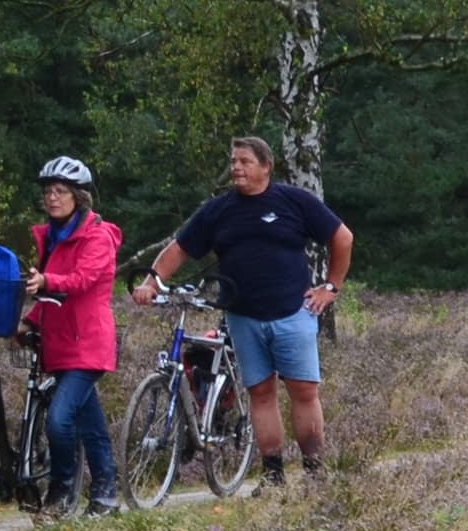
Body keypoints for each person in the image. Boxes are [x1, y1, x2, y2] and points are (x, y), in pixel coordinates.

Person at [133, 135, 355, 486]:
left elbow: (342, 237)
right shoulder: (219, 210)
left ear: (266, 166)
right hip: (242, 316)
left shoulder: (293, 201)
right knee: (260, 394)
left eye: (244, 161)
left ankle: (315, 473)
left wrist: (331, 287)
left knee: (303, 392)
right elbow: (179, 249)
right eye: (233, 160)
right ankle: (273, 477)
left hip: (293, 312)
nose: (236, 167)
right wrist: (151, 282)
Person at [27, 156, 123, 514]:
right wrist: (31, 320)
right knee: (90, 423)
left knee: (59, 419)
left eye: (61, 191)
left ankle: (61, 491)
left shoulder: (97, 236)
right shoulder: (52, 237)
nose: (52, 198)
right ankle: (105, 495)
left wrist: (46, 281)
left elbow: (81, 280)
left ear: (78, 197)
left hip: (88, 342)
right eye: (48, 191)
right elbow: (51, 296)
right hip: (59, 341)